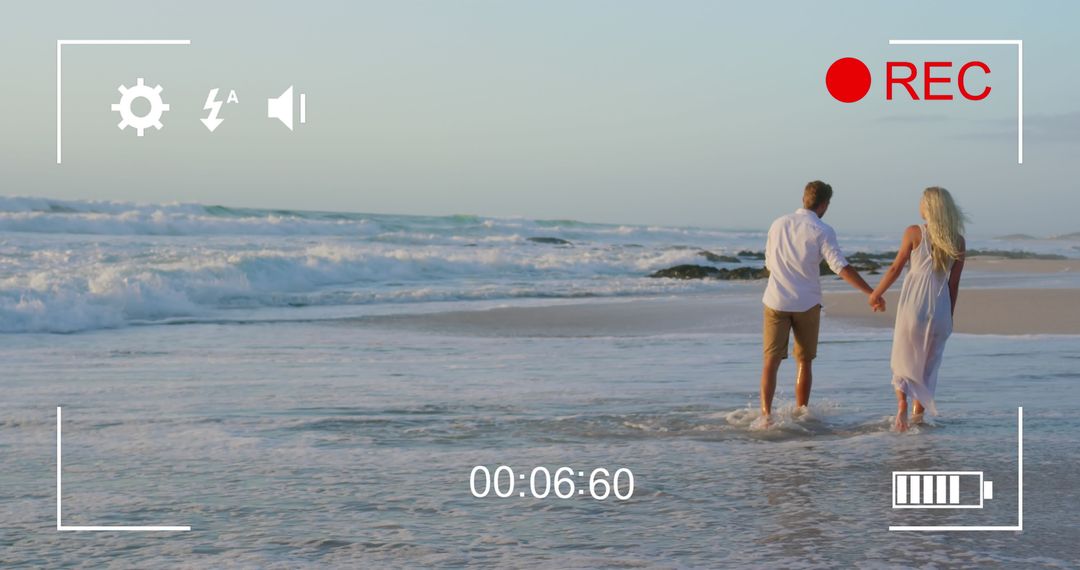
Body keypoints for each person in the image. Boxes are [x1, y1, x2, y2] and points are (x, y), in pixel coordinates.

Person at [759, 181, 883, 424]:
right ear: (825, 204)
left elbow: (769, 262)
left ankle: (765, 416)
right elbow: (840, 267)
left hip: (776, 300)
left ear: (804, 198)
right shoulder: (822, 230)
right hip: (806, 302)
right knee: (804, 361)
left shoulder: (778, 223)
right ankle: (802, 412)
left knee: (770, 361)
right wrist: (871, 292)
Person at [869, 187, 966, 432]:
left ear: (929, 207)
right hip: (940, 308)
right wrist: (949, 316)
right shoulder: (958, 240)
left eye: (922, 202)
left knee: (903, 358)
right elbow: (953, 285)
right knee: (927, 366)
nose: (919, 205)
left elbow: (895, 268)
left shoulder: (914, 233)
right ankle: (917, 419)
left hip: (914, 305)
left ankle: (901, 406)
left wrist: (876, 293)